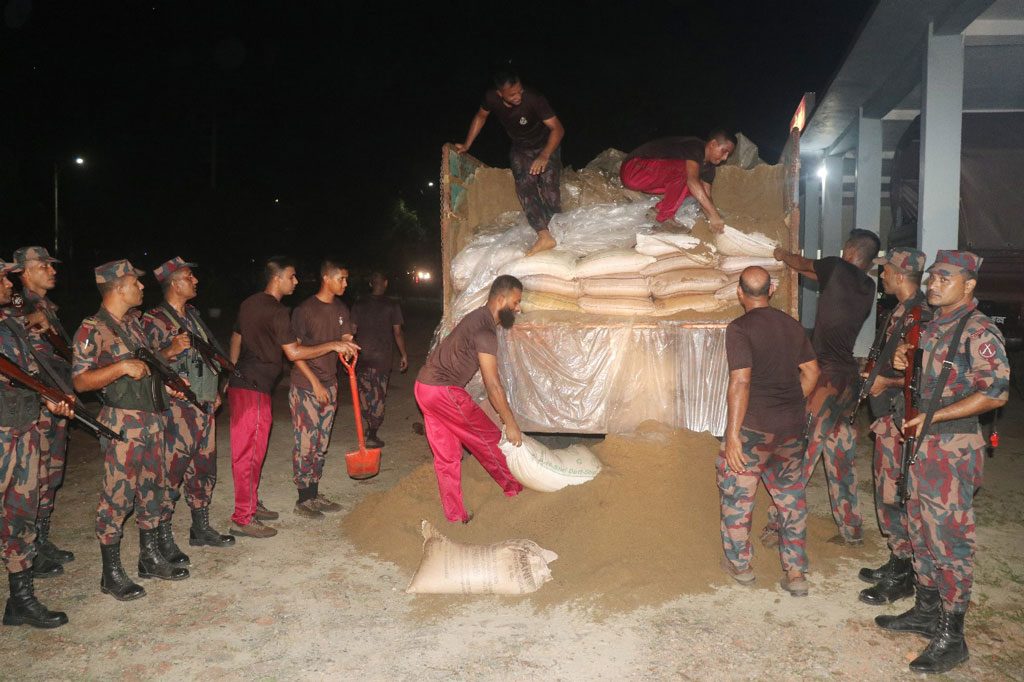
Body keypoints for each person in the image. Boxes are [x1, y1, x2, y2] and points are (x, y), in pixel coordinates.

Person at [876, 250, 1009, 675]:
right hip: (920, 448)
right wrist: (901, 356)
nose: (933, 284)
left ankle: (954, 636)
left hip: (952, 451)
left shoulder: (979, 331)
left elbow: (996, 392)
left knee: (949, 542)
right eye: (932, 276)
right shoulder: (931, 326)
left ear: (969, 285)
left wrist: (935, 415)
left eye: (944, 278)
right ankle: (925, 610)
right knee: (919, 529)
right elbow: (923, 374)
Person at [72, 259, 189, 601]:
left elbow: (147, 368)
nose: (141, 287)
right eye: (135, 283)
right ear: (118, 288)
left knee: (152, 490)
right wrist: (120, 367)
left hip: (150, 418)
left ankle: (149, 558)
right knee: (117, 496)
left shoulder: (133, 325)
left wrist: (164, 389)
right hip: (121, 423)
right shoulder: (92, 328)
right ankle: (111, 573)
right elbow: (80, 381)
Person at [227, 257, 357, 538]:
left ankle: (251, 505)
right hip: (254, 386)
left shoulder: (249, 303)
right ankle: (243, 516)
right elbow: (294, 353)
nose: (296, 282)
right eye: (292, 276)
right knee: (250, 454)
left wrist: (232, 371)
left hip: (247, 383)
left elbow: (236, 337)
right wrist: (334, 344)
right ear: (278, 279)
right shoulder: (280, 312)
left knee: (253, 453)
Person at [769, 229, 879, 546]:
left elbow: (803, 265)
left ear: (849, 250)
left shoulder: (836, 267)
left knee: (800, 451)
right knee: (839, 455)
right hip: (849, 380)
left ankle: (779, 526)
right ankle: (852, 530)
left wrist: (781, 255)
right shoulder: (869, 286)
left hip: (827, 379)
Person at [717, 267, 820, 597]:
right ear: (772, 289)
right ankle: (795, 573)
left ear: (739, 293)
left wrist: (733, 435)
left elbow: (741, 381)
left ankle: (742, 567)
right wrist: (790, 402)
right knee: (791, 501)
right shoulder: (792, 326)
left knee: (738, 496)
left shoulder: (740, 329)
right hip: (791, 431)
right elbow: (812, 372)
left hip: (754, 433)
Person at [143, 257, 235, 564]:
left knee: (204, 469)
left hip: (203, 404)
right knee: (171, 474)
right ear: (173, 282)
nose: (195, 281)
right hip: (177, 410)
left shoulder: (194, 316)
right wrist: (169, 350)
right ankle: (164, 537)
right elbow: (143, 364)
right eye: (189, 276)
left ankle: (200, 527)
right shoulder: (154, 320)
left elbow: (208, 353)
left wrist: (215, 390)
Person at [414, 275, 525, 523]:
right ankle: (516, 491)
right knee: (489, 439)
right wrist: (510, 423)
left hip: (423, 387)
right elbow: (493, 385)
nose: (518, 308)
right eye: (516, 302)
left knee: (448, 457)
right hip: (443, 391)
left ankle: (455, 517)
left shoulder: (476, 317)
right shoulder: (486, 331)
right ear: (502, 298)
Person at [1, 259, 72, 628]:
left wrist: (46, 394)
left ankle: (21, 600)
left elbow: (26, 369)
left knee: (19, 511)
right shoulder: (15, 317)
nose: (8, 284)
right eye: (1, 278)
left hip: (23, 422)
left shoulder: (10, 323)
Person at [856, 248, 929, 606]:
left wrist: (887, 384)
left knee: (897, 493)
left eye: (885, 271)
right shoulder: (901, 311)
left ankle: (905, 575)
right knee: (887, 492)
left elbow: (927, 378)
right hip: (888, 419)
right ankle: (898, 558)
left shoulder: (921, 315)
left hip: (903, 420)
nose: (881, 276)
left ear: (900, 275)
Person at [12, 246, 76, 577]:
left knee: (51, 475)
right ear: (23, 272)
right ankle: (29, 549)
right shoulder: (17, 305)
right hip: (37, 406)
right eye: (43, 265)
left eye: (52, 264)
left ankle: (42, 540)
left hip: (57, 401)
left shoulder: (46, 307)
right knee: (33, 478)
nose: (52, 270)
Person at [455, 67, 565, 257]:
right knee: (524, 187)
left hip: (546, 144)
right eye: (512, 94)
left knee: (549, 188)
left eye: (520, 90)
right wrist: (466, 144)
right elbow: (481, 116)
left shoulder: (534, 99)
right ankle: (544, 235)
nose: (518, 96)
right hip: (521, 147)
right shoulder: (491, 98)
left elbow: (558, 129)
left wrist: (545, 155)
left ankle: (559, 228)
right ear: (500, 94)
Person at [288, 261, 355, 520]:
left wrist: (348, 346)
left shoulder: (341, 309)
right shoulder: (305, 310)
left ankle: (314, 493)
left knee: (321, 442)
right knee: (306, 442)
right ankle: (303, 498)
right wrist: (315, 382)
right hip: (306, 385)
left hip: (330, 383)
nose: (346, 284)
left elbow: (345, 337)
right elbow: (294, 353)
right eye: (342, 279)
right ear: (327, 278)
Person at [619, 130, 736, 232]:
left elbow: (707, 196)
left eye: (728, 154)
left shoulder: (710, 168)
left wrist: (711, 217)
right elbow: (691, 181)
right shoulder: (695, 146)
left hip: (650, 180)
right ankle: (665, 218)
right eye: (724, 151)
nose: (725, 158)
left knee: (697, 191)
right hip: (634, 168)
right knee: (690, 176)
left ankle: (658, 210)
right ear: (713, 144)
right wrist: (715, 216)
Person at [351, 272, 408, 449]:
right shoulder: (391, 305)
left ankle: (368, 426)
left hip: (361, 356)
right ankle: (373, 433)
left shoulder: (358, 305)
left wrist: (350, 353)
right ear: (385, 283)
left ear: (370, 284)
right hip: (381, 357)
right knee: (378, 395)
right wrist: (404, 354)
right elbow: (397, 332)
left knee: (365, 393)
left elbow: (350, 333)